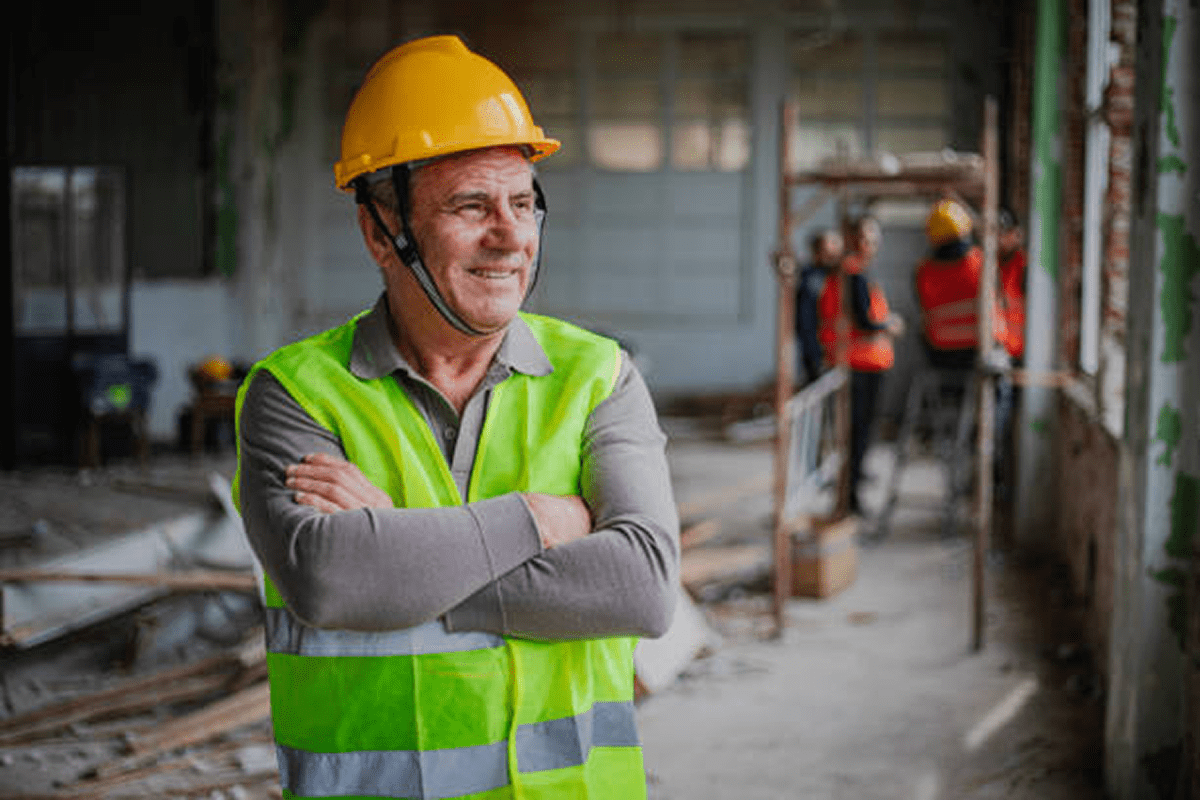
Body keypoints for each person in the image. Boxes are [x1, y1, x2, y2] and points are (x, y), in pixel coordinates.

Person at [232, 35, 679, 800]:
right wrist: (540, 518)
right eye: (471, 205)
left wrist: (406, 554)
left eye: (523, 202)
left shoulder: (597, 376)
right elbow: (333, 580)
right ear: (381, 231)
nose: (509, 237)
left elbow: (641, 586)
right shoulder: (296, 394)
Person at [817, 214, 904, 515]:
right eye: (865, 238)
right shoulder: (853, 274)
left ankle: (847, 493)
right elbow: (865, 321)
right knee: (855, 436)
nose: (870, 245)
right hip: (859, 365)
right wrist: (889, 325)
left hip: (858, 364)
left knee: (853, 436)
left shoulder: (850, 274)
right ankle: (849, 497)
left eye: (873, 238)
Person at [914, 198, 1009, 370]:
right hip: (982, 348)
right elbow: (1000, 297)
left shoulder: (923, 271)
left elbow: (923, 311)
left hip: (940, 352)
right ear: (964, 231)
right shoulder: (981, 262)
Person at [795, 228, 844, 384]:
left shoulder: (837, 274)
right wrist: (815, 349)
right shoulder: (813, 276)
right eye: (830, 247)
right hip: (818, 347)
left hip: (836, 346)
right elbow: (805, 317)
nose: (835, 252)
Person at [998, 208, 1026, 362]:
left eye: (1004, 233)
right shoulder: (986, 264)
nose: (1000, 239)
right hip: (997, 349)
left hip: (1020, 353)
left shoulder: (1024, 266)